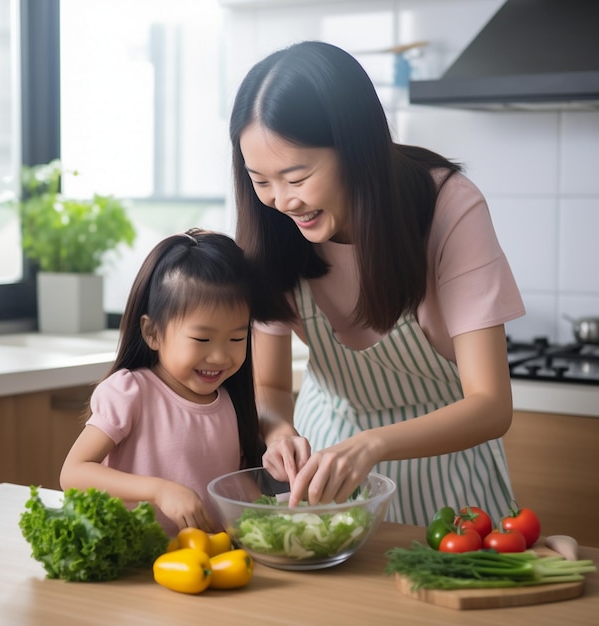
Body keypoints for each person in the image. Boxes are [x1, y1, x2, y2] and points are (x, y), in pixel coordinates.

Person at [229, 40, 526, 527]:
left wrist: (373, 445)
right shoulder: (272, 232)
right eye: (260, 180)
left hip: (453, 478)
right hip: (330, 479)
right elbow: (270, 384)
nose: (282, 201)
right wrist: (279, 430)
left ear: (354, 147)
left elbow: (491, 405)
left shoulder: (446, 207)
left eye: (297, 177)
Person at [60, 229, 265, 536]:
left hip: (206, 559)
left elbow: (231, 481)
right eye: (202, 339)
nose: (220, 356)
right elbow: (73, 473)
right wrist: (159, 491)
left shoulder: (229, 401)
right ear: (152, 332)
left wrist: (269, 512)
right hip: (142, 561)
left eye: (237, 338)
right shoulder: (131, 392)